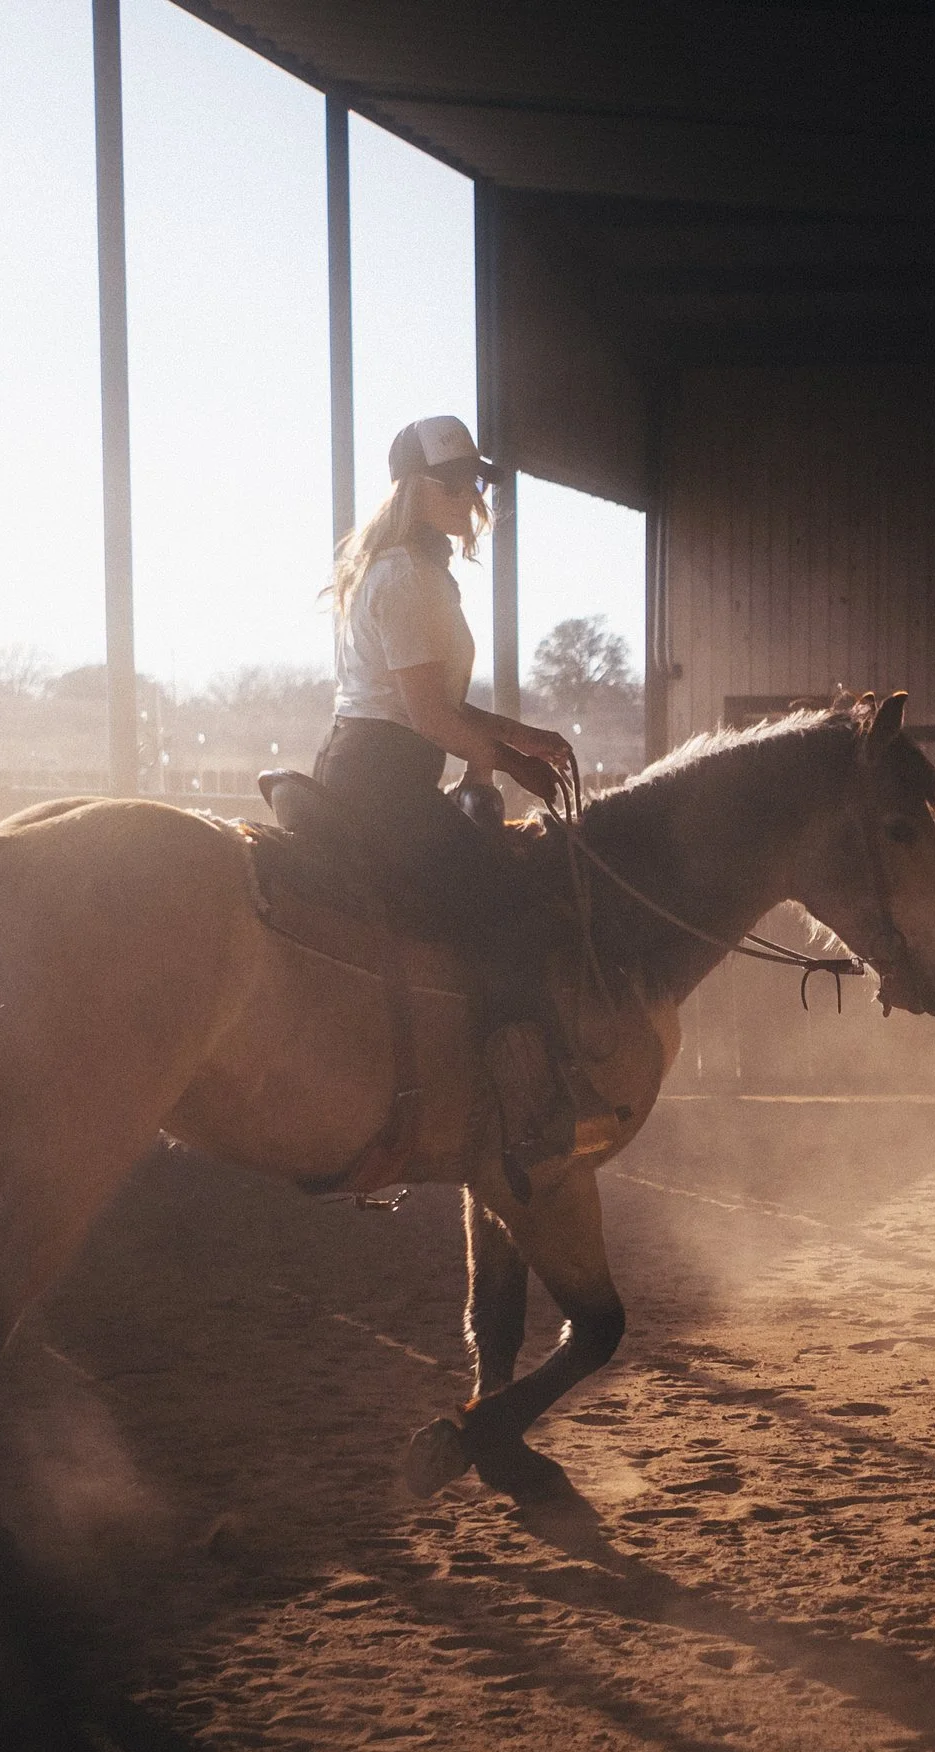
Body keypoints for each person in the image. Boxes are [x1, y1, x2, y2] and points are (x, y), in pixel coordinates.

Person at [315, 414, 590, 1197]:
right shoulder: (406, 577)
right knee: (512, 907)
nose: (470, 492)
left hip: (380, 766)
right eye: (453, 480)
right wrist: (508, 761)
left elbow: (432, 706)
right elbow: (432, 718)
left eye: (474, 477)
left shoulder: (413, 571)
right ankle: (515, 1105)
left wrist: (519, 736)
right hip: (381, 781)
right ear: (415, 490)